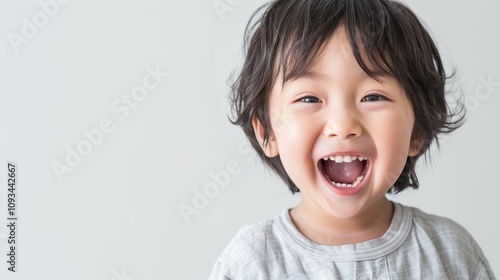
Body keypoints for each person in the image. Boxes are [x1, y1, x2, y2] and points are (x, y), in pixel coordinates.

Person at [209, 0, 496, 279]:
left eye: (373, 97)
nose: (343, 125)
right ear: (267, 133)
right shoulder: (250, 263)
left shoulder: (451, 252)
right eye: (309, 98)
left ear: (417, 131)